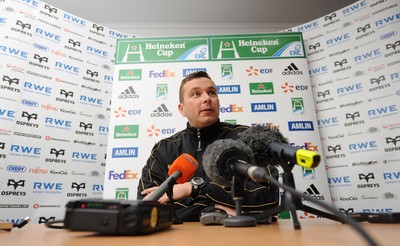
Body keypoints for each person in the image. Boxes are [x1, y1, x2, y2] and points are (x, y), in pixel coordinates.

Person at [137, 71, 279, 221]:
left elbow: (268, 197)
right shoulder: (164, 149)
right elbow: (146, 206)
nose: (207, 98)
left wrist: (193, 189)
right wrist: (215, 209)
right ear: (182, 109)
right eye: (196, 94)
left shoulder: (246, 139)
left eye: (211, 92)